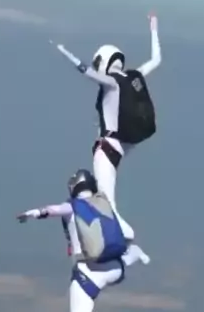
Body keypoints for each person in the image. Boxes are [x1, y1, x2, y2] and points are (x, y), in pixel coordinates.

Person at [17, 168, 150, 312]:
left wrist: (32, 213)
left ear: (74, 187)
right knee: (121, 266)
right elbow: (128, 232)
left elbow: (52, 211)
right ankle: (134, 255)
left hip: (86, 273)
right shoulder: (104, 205)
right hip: (111, 270)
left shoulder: (73, 206)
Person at [51, 14, 161, 240]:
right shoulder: (133, 77)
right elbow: (156, 59)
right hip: (125, 145)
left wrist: (64, 52)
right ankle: (117, 236)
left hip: (106, 147)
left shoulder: (111, 83)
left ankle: (123, 237)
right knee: (103, 198)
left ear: (104, 61)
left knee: (107, 202)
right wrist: (153, 30)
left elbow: (86, 71)